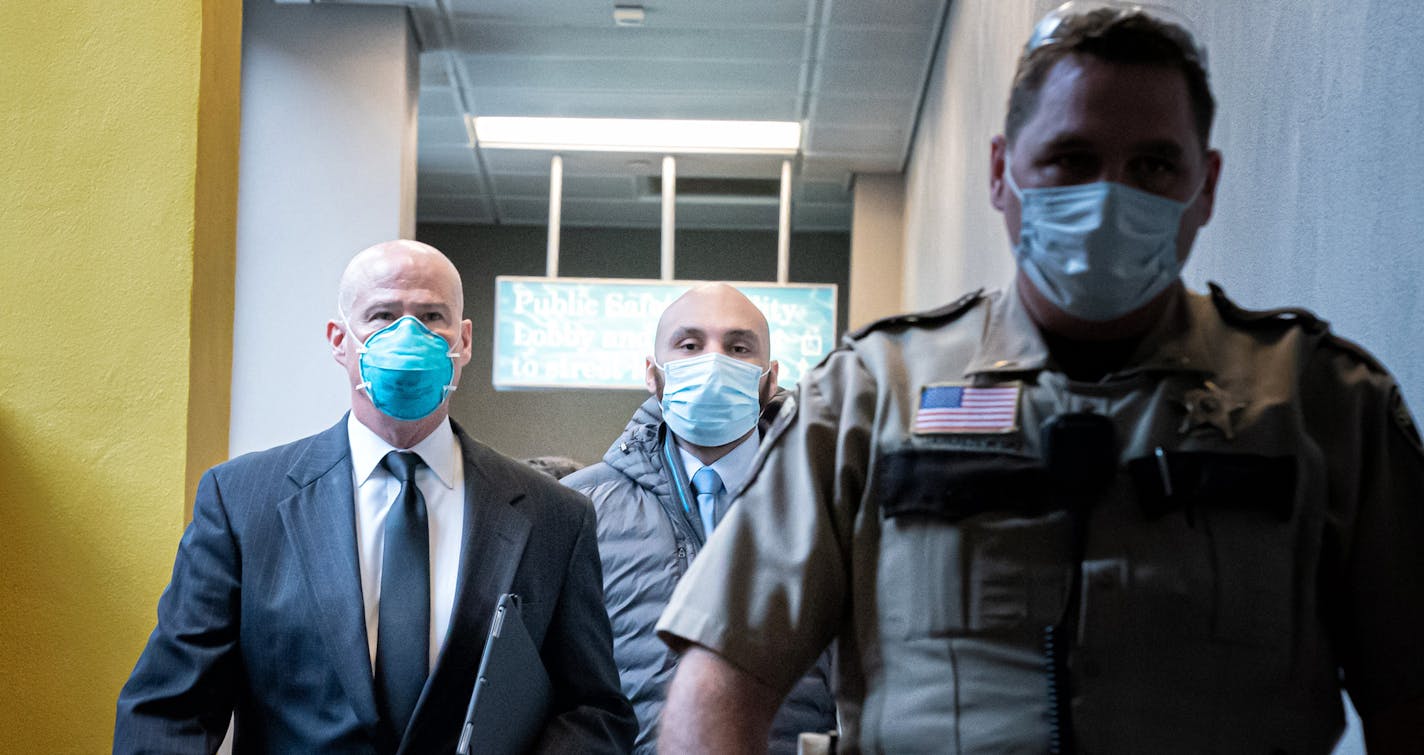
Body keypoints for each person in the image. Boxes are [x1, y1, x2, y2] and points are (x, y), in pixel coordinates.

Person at [654, 5, 1424, 754]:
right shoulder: (867, 398)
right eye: (1071, 160)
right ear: (1002, 173)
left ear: (1207, 184)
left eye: (1153, 164)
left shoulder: (1324, 404)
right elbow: (719, 683)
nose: (1108, 198)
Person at [115, 240, 635, 754]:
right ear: (339, 340)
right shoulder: (243, 502)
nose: (408, 335)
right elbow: (169, 709)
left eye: (432, 316)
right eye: (382, 315)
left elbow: (592, 711)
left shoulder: (554, 516)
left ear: (465, 341)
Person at [562, 283, 836, 754]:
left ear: (769, 380)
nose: (713, 362)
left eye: (738, 347)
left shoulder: (824, 505)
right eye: (689, 346)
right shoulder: (578, 509)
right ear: (653, 375)